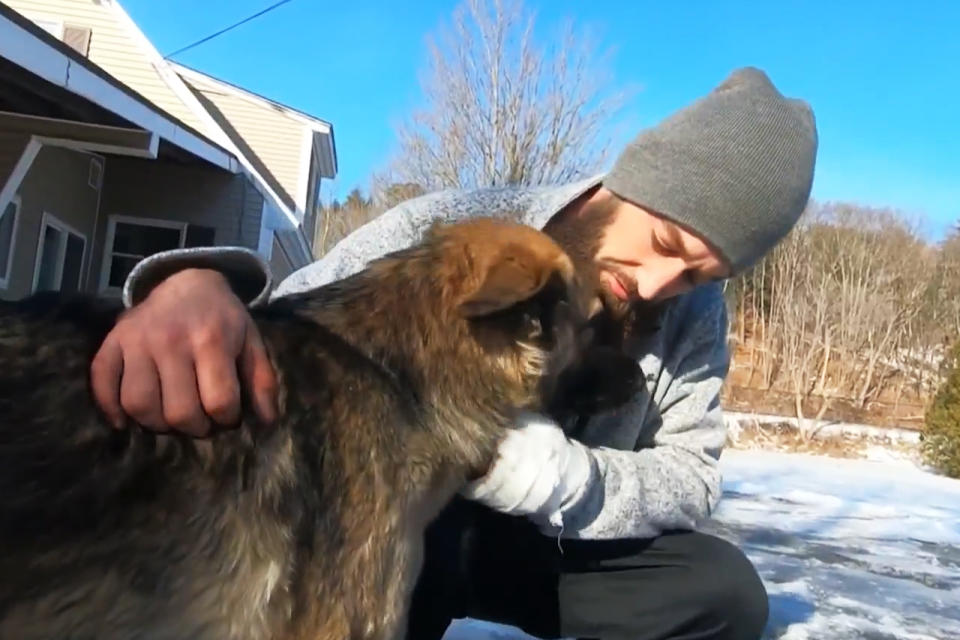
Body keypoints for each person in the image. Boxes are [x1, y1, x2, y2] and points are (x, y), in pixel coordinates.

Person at [89, 66, 817, 640]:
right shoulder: (456, 224)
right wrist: (194, 284)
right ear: (629, 183)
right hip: (406, 521)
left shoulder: (693, 317)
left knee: (721, 593)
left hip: (543, 547)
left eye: (700, 274)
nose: (660, 285)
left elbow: (689, 478)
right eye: (665, 247)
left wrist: (565, 481)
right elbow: (301, 321)